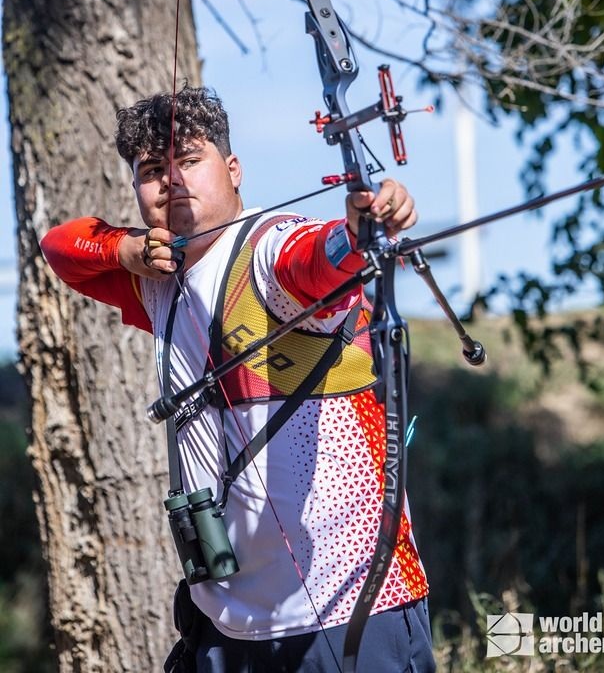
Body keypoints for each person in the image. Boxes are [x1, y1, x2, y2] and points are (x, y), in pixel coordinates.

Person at [41, 85, 435, 673]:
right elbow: (60, 246)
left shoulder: (267, 247)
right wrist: (125, 250)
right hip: (226, 619)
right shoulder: (156, 277)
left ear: (232, 169)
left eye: (189, 160)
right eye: (152, 170)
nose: (171, 180)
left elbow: (315, 259)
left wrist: (356, 233)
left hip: (348, 604)